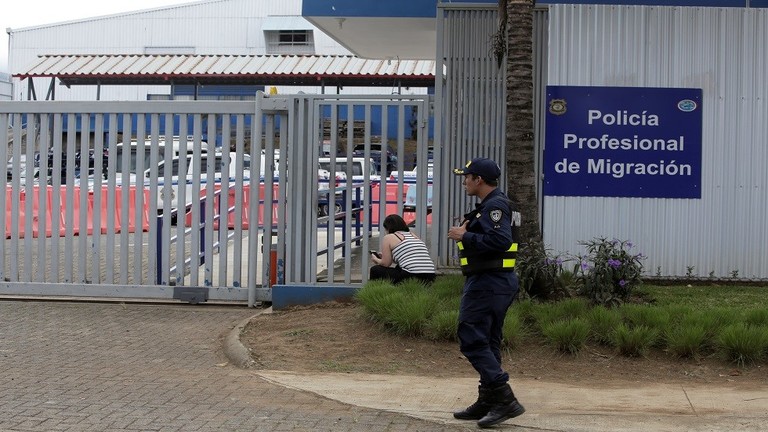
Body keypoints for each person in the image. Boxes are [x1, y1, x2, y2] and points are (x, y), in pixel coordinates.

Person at [447, 157, 525, 428]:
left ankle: (505, 398)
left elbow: (500, 240)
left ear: (478, 179)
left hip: (489, 282)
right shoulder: (496, 205)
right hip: (495, 281)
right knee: (489, 342)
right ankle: (489, 399)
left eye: (467, 177)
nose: (464, 182)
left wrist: (464, 236)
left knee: (470, 336)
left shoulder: (495, 206)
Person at [369, 214, 436, 284]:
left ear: (388, 228)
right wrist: (388, 257)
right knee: (399, 267)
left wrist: (376, 259)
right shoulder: (413, 235)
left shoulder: (389, 237)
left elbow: (386, 263)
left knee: (375, 270)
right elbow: (409, 258)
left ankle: (374, 290)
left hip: (411, 275)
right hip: (430, 276)